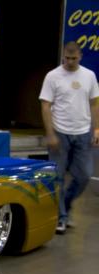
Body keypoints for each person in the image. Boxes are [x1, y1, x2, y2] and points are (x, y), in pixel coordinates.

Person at [40, 41, 99, 234]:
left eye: (74, 58)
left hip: (83, 133)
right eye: (67, 58)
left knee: (84, 175)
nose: (70, 61)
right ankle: (61, 217)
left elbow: (94, 103)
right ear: (63, 56)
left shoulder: (89, 76)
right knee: (57, 176)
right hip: (60, 132)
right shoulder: (53, 76)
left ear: (80, 56)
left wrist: (96, 129)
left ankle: (65, 204)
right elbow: (45, 106)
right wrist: (50, 133)